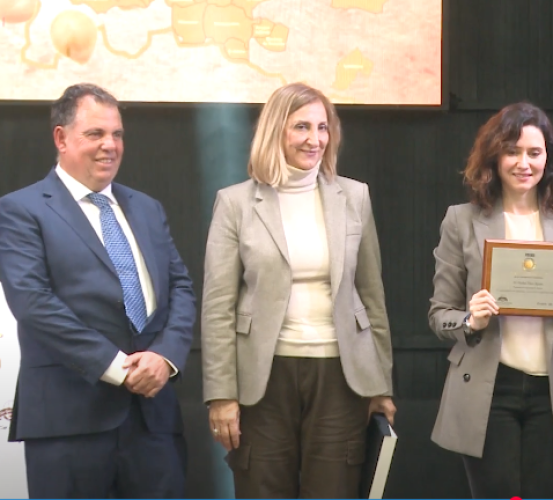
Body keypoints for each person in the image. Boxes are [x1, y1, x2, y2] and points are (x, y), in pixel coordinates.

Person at [0, 83, 195, 498]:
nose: (110, 145)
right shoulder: (20, 210)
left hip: (153, 422)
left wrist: (165, 357)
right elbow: (33, 303)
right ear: (61, 138)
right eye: (95, 134)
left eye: (117, 134)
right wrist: (119, 368)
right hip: (69, 424)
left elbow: (179, 287)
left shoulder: (146, 207)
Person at [201, 82, 396, 499]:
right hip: (263, 380)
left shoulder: (355, 197)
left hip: (340, 377)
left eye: (322, 127)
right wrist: (221, 395)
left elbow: (372, 296)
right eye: (302, 127)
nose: (315, 139)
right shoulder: (235, 203)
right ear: (276, 131)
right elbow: (217, 307)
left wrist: (381, 385)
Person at [428, 102, 553, 499]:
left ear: (549, 157)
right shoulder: (461, 220)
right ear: (494, 156)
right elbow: (440, 315)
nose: (523, 163)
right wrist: (470, 321)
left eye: (534, 152)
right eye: (512, 151)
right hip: (490, 389)